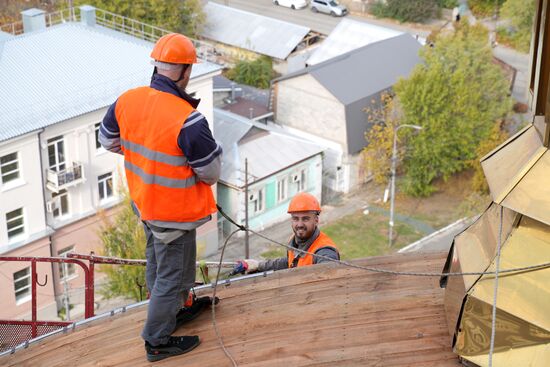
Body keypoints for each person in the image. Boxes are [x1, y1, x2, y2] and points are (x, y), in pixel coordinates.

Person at [99, 33, 222, 362]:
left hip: (146, 204)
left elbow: (108, 140)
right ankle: (156, 340)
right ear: (185, 71)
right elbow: (210, 173)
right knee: (172, 274)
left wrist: (147, 159)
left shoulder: (127, 100)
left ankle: (173, 312)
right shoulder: (188, 120)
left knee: (160, 266)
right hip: (174, 213)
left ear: (157, 67)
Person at [236, 193, 339, 274]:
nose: (300, 224)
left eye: (305, 219)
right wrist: (259, 266)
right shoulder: (294, 241)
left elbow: (329, 273)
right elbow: (289, 262)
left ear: (316, 220)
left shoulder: (324, 251)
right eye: (295, 219)